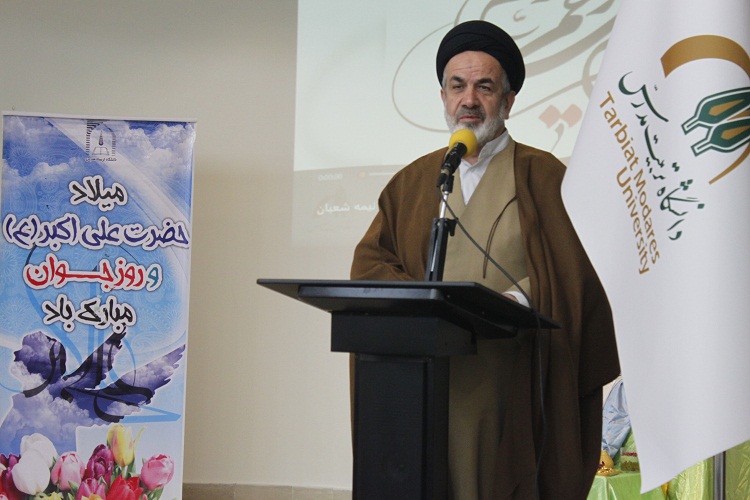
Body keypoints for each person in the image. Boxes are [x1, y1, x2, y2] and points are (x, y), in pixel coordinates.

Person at [350, 20, 620, 499]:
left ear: (508, 100)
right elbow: (372, 262)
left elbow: (578, 271)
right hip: (423, 383)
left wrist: (516, 300)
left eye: (485, 87)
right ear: (443, 96)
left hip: (508, 380)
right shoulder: (414, 182)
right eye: (457, 86)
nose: (469, 100)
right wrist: (419, 306)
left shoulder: (545, 177)